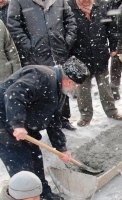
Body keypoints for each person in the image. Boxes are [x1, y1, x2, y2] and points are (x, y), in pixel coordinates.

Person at [0, 58, 89, 200]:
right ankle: (31, 199)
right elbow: (14, 94)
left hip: (23, 126)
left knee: (35, 156)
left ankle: (43, 190)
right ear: (69, 81)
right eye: (76, 86)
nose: (75, 89)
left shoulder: (58, 91)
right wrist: (17, 124)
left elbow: (54, 120)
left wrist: (61, 147)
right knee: (21, 162)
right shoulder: (41, 76)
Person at [8, 0, 78, 131]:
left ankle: (64, 118)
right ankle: (43, 122)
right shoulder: (19, 2)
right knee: (42, 89)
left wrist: (67, 41)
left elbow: (70, 20)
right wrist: (29, 46)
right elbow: (14, 25)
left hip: (58, 50)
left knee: (62, 84)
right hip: (37, 54)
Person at [69, 0, 122, 127]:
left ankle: (111, 111)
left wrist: (114, 46)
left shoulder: (101, 5)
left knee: (104, 85)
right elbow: (66, 31)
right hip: (79, 55)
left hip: (100, 53)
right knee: (82, 88)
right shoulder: (69, 8)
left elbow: (111, 27)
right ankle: (85, 115)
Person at [108, 0, 122, 101]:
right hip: (116, 39)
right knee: (115, 66)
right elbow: (110, 24)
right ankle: (114, 89)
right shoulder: (112, 4)